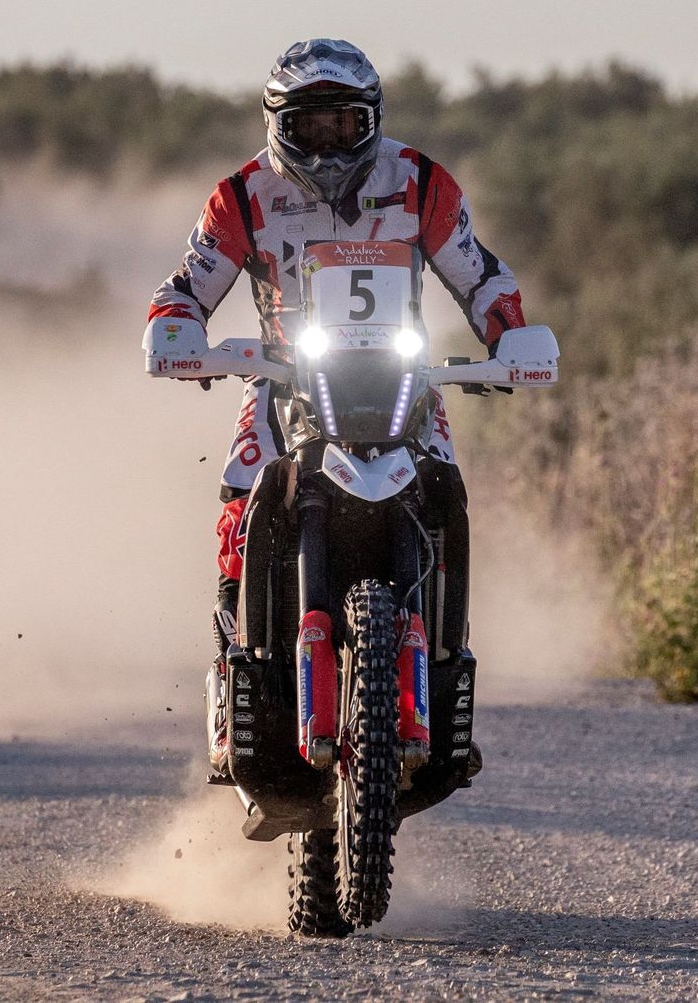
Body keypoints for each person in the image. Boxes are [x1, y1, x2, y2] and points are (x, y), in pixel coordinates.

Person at [145, 39, 528, 770]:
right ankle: (241, 676)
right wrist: (176, 334)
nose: (326, 143)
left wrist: (510, 337)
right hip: (286, 379)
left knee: (446, 490)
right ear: (277, 123)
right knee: (241, 496)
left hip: (401, 379)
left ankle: (446, 683)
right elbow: (183, 289)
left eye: (343, 125)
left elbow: (482, 278)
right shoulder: (242, 195)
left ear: (371, 120)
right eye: (309, 126)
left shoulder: (421, 183)